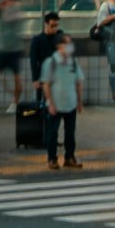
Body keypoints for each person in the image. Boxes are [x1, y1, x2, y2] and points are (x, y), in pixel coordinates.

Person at [38, 29, 86, 170]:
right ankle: (52, 159)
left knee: (70, 133)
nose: (70, 46)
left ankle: (69, 157)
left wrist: (79, 101)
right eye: (68, 43)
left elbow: (79, 81)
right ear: (59, 45)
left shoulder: (73, 62)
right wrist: (50, 103)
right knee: (52, 133)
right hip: (55, 104)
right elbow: (45, 84)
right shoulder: (51, 62)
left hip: (70, 103)